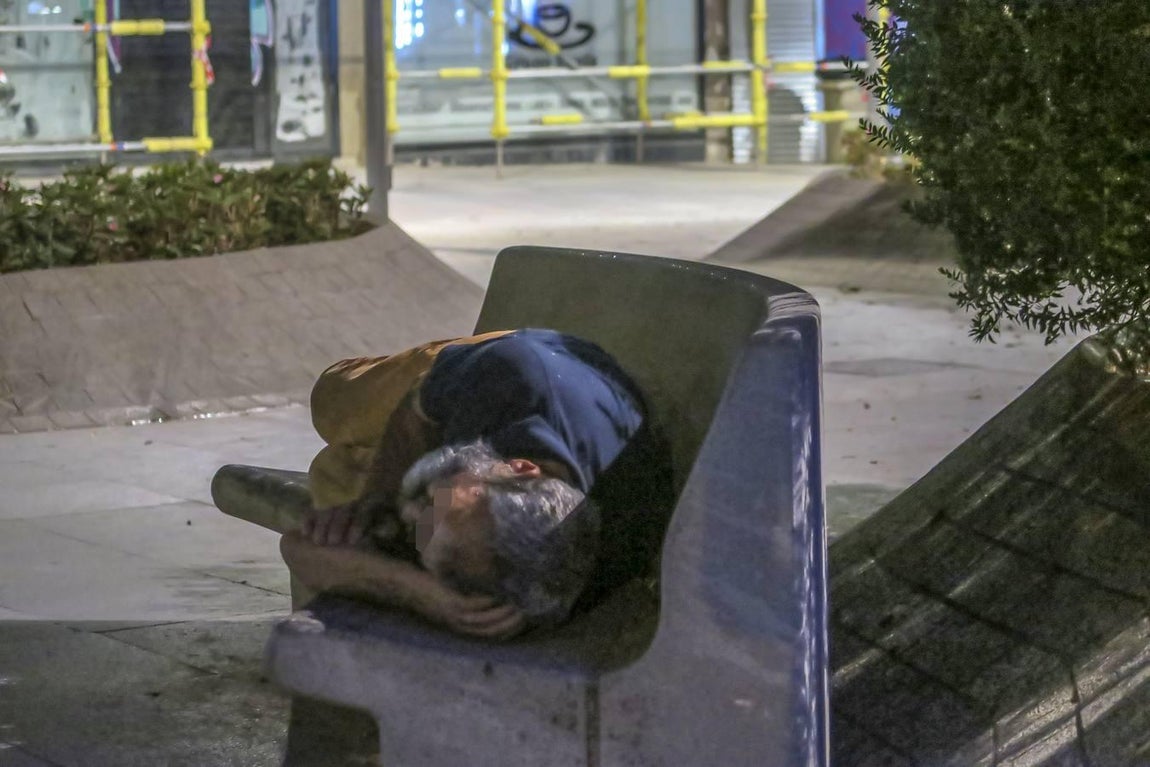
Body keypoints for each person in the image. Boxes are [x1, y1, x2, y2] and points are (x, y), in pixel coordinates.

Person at [279, 329, 672, 641]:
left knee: (336, 473)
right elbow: (414, 417)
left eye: (423, 523)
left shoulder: (470, 546)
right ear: (520, 468)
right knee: (332, 403)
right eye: (437, 498)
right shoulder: (509, 376)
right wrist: (375, 496)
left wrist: (423, 593)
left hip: (490, 438)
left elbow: (299, 548)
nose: (412, 511)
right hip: (506, 359)